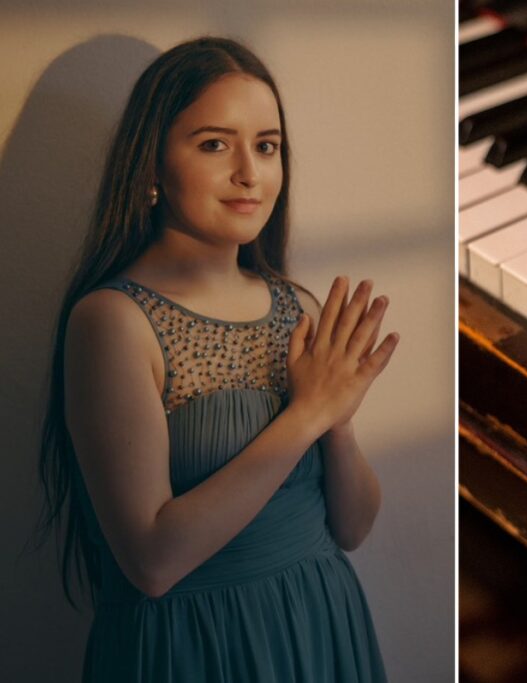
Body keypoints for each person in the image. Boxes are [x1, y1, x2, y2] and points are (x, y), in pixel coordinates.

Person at [34, 37, 398, 682]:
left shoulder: (297, 306)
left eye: (266, 146)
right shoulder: (112, 321)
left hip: (319, 622)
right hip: (191, 647)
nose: (249, 174)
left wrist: (336, 419)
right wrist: (306, 414)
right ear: (151, 165)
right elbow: (151, 562)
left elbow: (353, 526)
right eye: (213, 144)